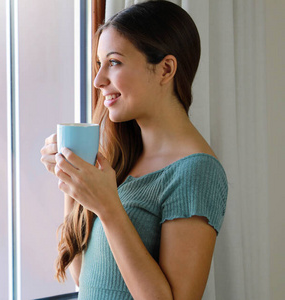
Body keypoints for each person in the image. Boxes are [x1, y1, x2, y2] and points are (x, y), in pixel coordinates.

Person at [39, 1, 228, 299]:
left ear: (165, 69)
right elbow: (82, 276)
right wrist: (71, 179)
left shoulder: (196, 172)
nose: (99, 81)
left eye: (113, 62)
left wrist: (109, 207)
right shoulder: (121, 158)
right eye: (99, 65)